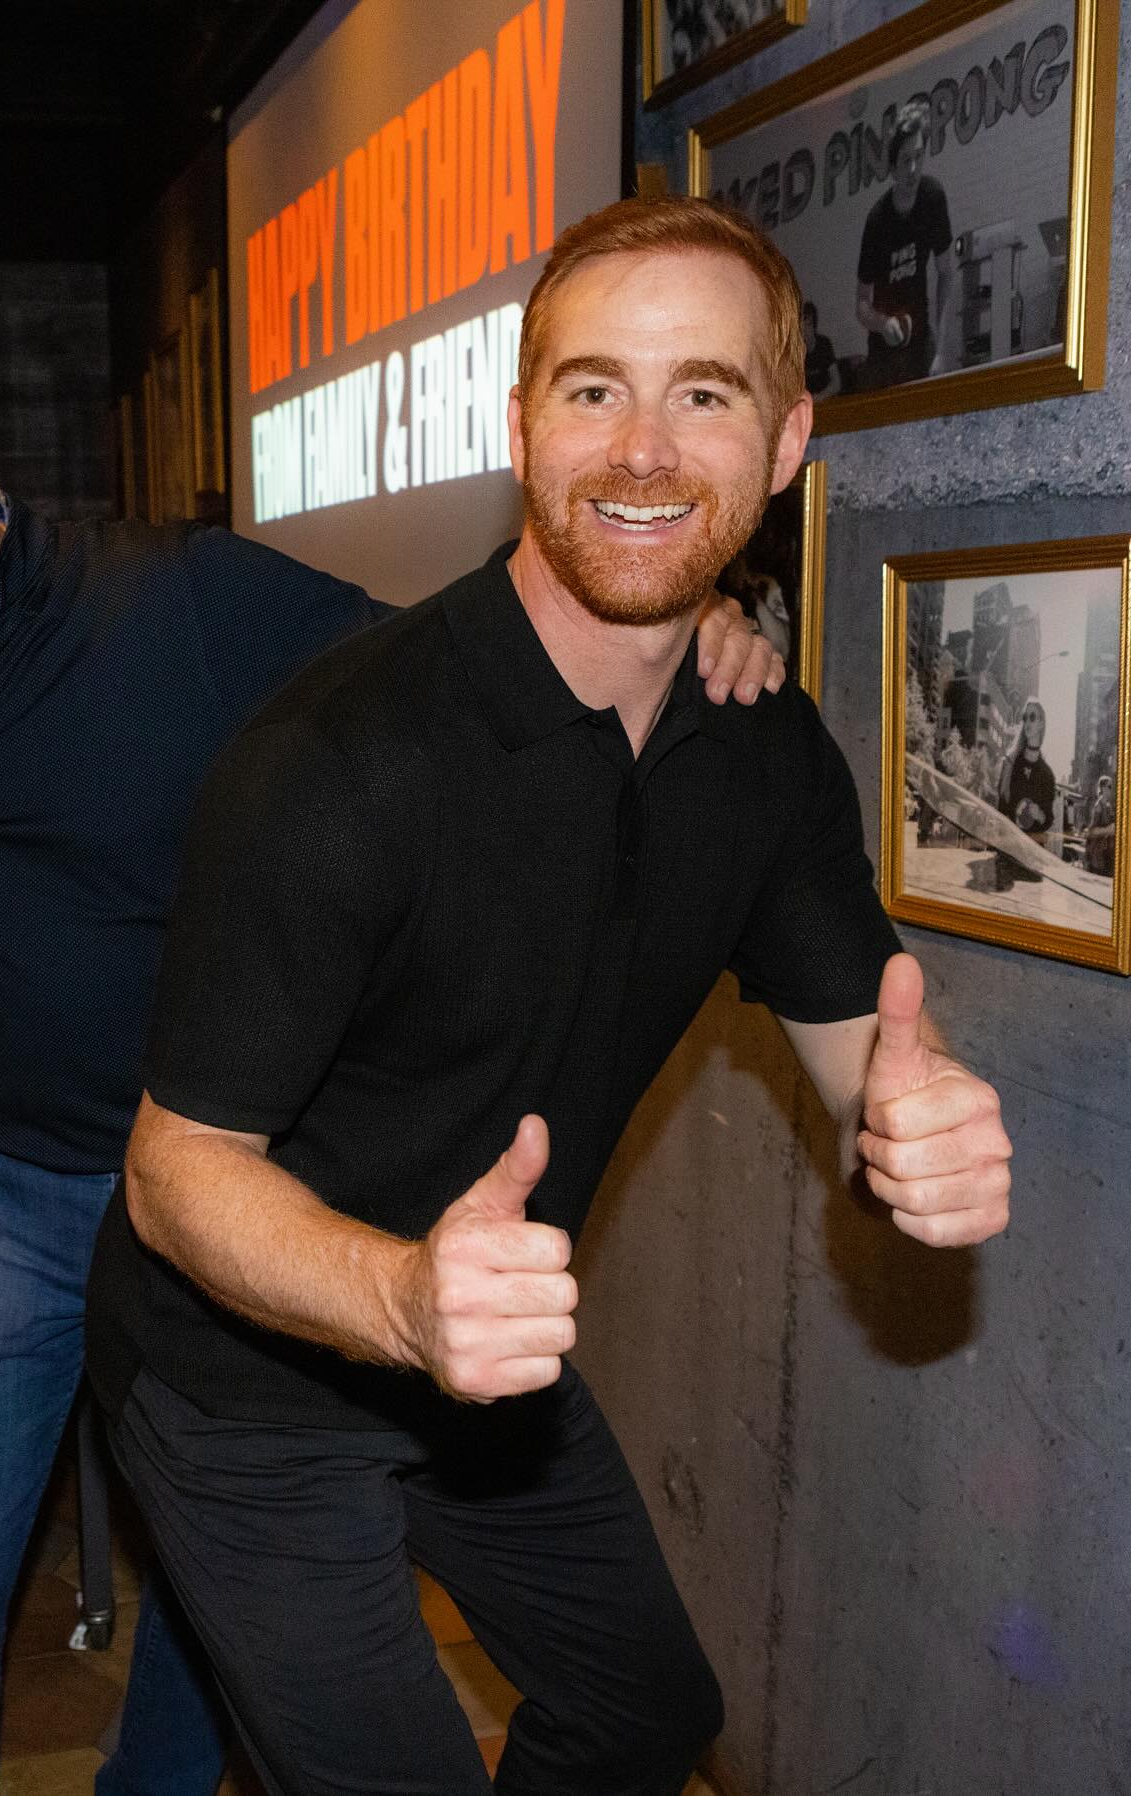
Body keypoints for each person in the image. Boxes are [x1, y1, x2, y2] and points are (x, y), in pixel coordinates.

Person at [0, 366, 776, 1796]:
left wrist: (670, 611)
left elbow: (457, 669)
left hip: (220, 1192)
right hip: (3, 1199)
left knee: (225, 1598)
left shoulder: (182, 598)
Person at [86, 195, 1012, 1796]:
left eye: (702, 396)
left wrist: (914, 1123)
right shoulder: (336, 767)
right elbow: (173, 1179)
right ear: (522, 428)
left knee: (648, 1715)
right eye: (594, 390)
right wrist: (397, 1305)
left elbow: (875, 1052)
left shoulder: (760, 748)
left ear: (787, 443)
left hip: (484, 1359)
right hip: (245, 1377)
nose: (642, 451)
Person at [855, 101, 957, 390]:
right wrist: (881, 322)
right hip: (883, 352)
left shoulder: (932, 197)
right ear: (892, 166)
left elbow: (947, 272)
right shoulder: (877, 220)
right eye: (904, 160)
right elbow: (861, 304)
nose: (912, 169)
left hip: (921, 339)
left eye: (918, 157)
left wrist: (942, 348)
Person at [994, 697, 1057, 887]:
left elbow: (1048, 820)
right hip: (1008, 859)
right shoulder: (1010, 763)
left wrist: (1040, 814)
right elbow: (1001, 810)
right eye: (1025, 717)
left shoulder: (1047, 775)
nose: (1027, 722)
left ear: (1041, 724)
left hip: (1032, 864)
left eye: (1032, 717)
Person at [801, 299, 841, 399]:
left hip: (826, 399)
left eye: (808, 325)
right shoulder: (797, 351)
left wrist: (820, 397)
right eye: (802, 326)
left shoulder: (824, 344)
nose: (805, 330)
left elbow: (836, 383)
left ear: (814, 326)